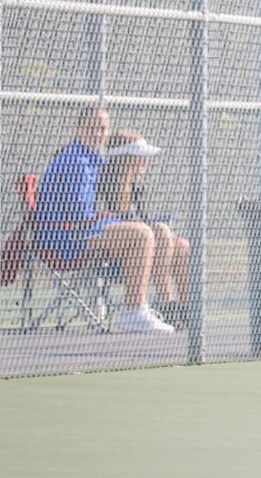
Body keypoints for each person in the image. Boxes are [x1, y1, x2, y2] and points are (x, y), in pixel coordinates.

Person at [32, 105, 174, 334]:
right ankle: (133, 311)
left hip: (80, 232)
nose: (97, 133)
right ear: (77, 128)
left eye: (102, 128)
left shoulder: (92, 159)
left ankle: (164, 307)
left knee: (153, 231)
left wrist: (108, 219)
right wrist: (109, 220)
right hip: (64, 239)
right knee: (141, 233)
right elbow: (79, 216)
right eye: (91, 127)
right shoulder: (75, 161)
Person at [94, 131, 190, 329]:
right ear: (125, 158)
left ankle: (187, 309)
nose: (145, 161)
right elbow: (114, 222)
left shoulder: (137, 186)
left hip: (145, 249)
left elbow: (143, 221)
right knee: (161, 231)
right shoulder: (103, 183)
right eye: (140, 156)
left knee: (181, 246)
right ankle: (166, 304)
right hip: (116, 256)